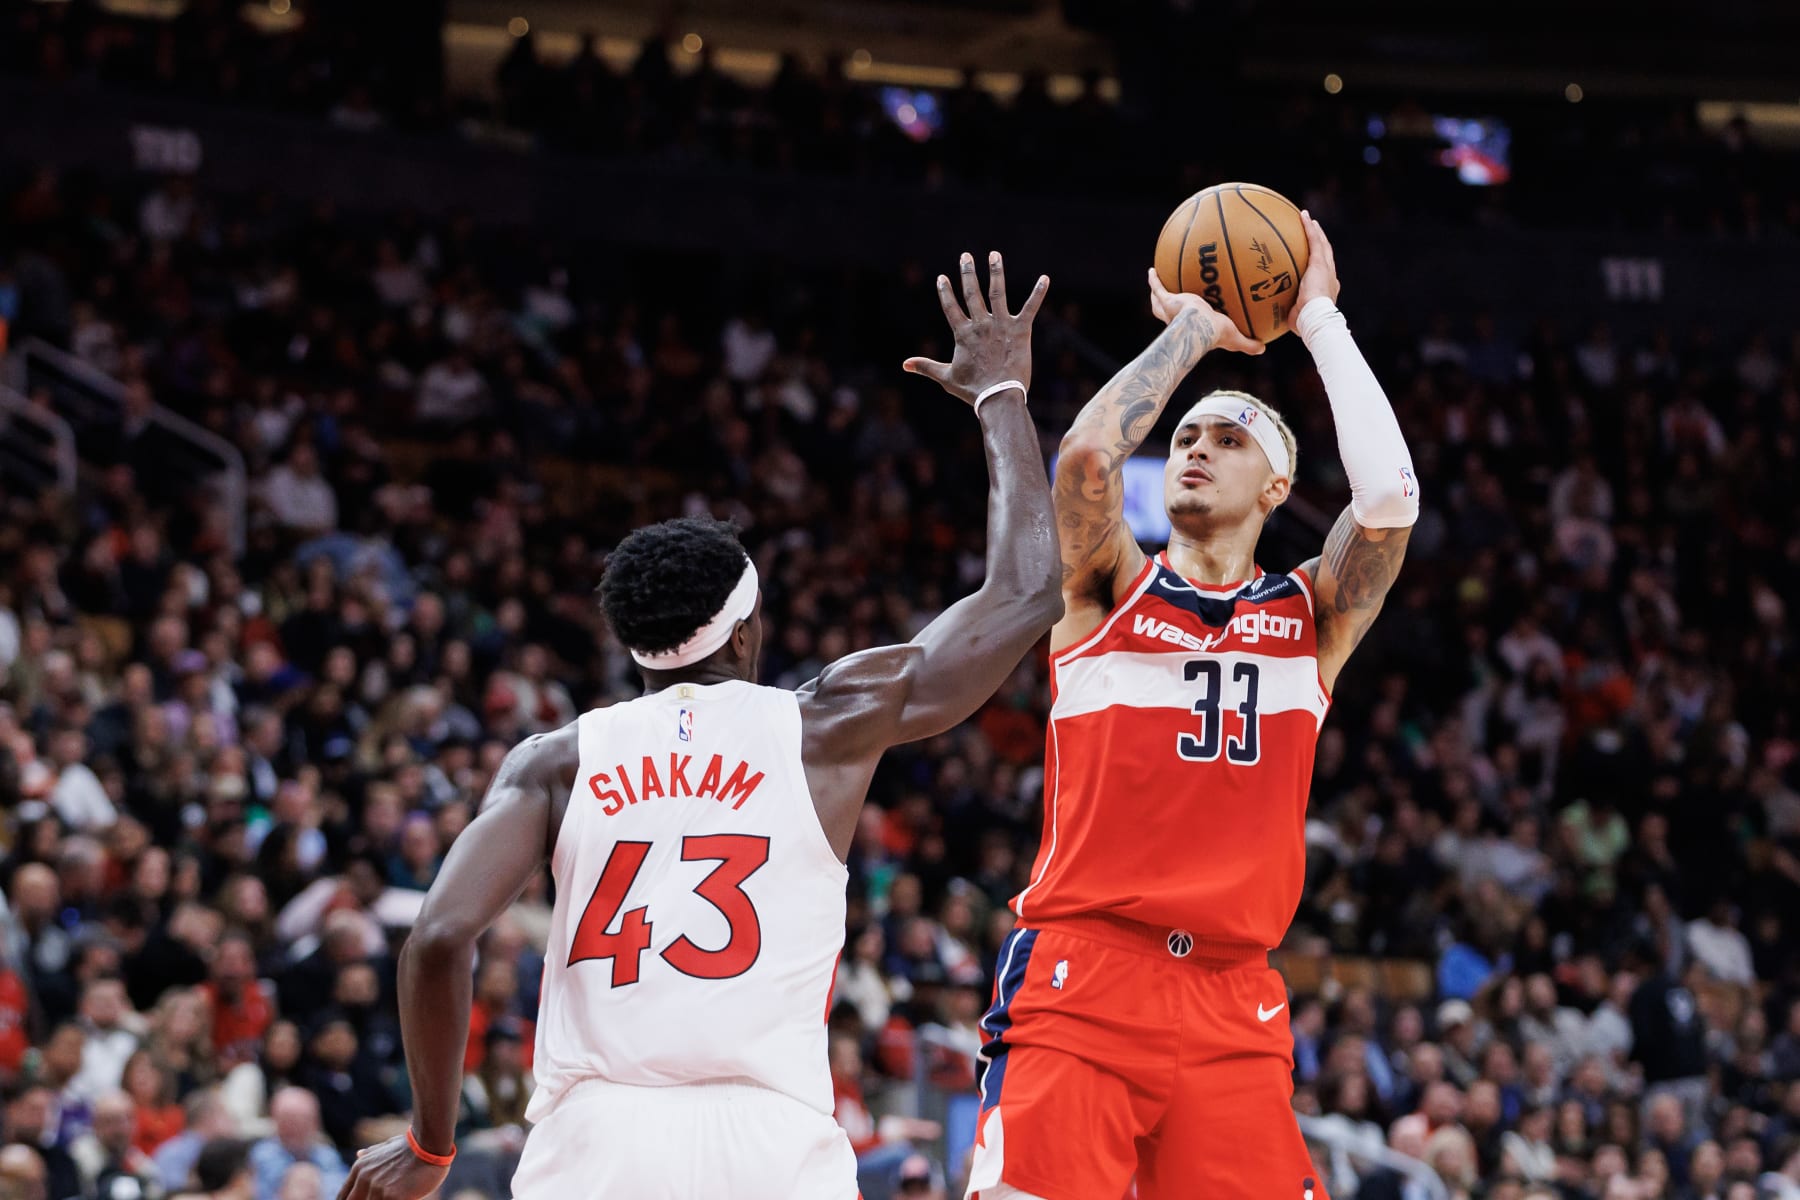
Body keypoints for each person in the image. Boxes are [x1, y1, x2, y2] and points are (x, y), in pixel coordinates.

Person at [338, 252, 1062, 1200]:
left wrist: (432, 1144)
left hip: (594, 1143)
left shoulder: (554, 761)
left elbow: (436, 939)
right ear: (750, 627)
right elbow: (1025, 592)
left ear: (636, 646)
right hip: (770, 1144)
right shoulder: (823, 725)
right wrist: (1001, 394)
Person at [969, 216, 1419, 1200]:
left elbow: (1389, 496)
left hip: (1233, 1000)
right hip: (1085, 976)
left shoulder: (1310, 616)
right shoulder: (1105, 591)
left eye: (1228, 436)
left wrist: (1320, 320)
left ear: (1281, 487)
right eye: (1184, 436)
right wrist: (1193, 333)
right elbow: (1086, 459)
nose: (1196, 450)